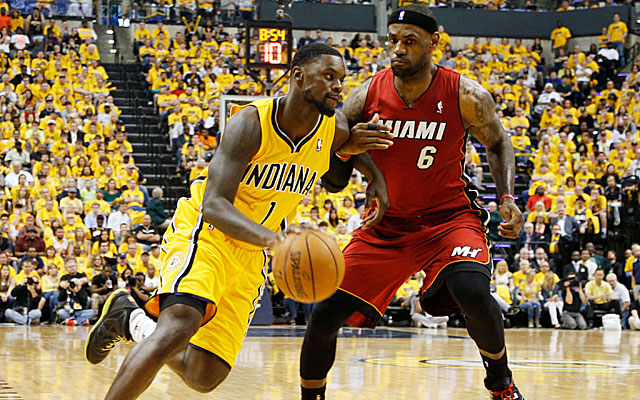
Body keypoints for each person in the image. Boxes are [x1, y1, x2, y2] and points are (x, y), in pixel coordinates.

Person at [84, 43, 388, 399]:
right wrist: (277, 241)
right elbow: (214, 205)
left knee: (203, 375)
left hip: (252, 254)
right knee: (178, 326)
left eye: (342, 79)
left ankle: (129, 319)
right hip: (208, 233)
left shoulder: (333, 126)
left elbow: (340, 164)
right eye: (329, 76)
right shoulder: (250, 122)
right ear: (298, 76)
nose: (339, 86)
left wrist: (375, 178)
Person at [299, 6, 525, 400]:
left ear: (434, 43)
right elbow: (334, 181)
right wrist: (345, 150)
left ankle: (500, 382)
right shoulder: (365, 95)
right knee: (324, 313)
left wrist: (506, 195)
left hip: (448, 219)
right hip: (386, 225)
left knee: (473, 290)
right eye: (393, 41)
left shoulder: (466, 95)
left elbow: (499, 142)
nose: (397, 49)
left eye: (409, 41)